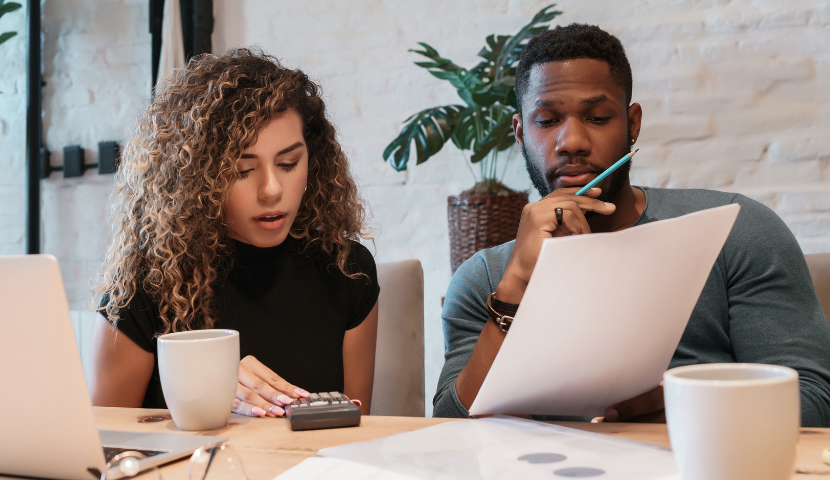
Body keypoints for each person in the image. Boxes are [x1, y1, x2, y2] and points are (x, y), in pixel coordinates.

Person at [434, 23, 830, 427]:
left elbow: (815, 402)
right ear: (520, 133)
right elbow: (450, 429)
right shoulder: (484, 279)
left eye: (598, 117)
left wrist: (687, 413)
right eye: (547, 120)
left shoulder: (737, 230)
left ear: (632, 123)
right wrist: (517, 281)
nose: (571, 141)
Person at [90, 49, 380, 417]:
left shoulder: (346, 270)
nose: (272, 189)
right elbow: (105, 447)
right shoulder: (145, 284)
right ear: (197, 178)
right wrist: (202, 391)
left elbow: (356, 432)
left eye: (289, 163)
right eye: (243, 170)